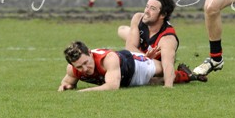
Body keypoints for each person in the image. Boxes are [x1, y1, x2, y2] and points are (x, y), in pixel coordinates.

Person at [117, 0, 203, 87]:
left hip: (157, 64)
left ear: (162, 15)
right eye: (147, 6)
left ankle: (183, 75)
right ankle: (143, 56)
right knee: (121, 30)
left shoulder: (167, 38)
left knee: (151, 80)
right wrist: (145, 57)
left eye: (152, 9)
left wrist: (167, 87)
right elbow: (129, 48)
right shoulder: (138, 18)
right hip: (145, 53)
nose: (146, 11)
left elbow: (167, 65)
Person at [58, 41, 205, 92]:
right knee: (153, 83)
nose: (84, 69)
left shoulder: (107, 59)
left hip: (134, 65)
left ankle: (187, 75)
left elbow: (112, 86)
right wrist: (66, 87)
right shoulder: (72, 69)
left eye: (86, 63)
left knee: (164, 73)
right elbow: (65, 84)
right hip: (123, 77)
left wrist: (84, 91)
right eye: (79, 67)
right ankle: (189, 76)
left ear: (90, 53)